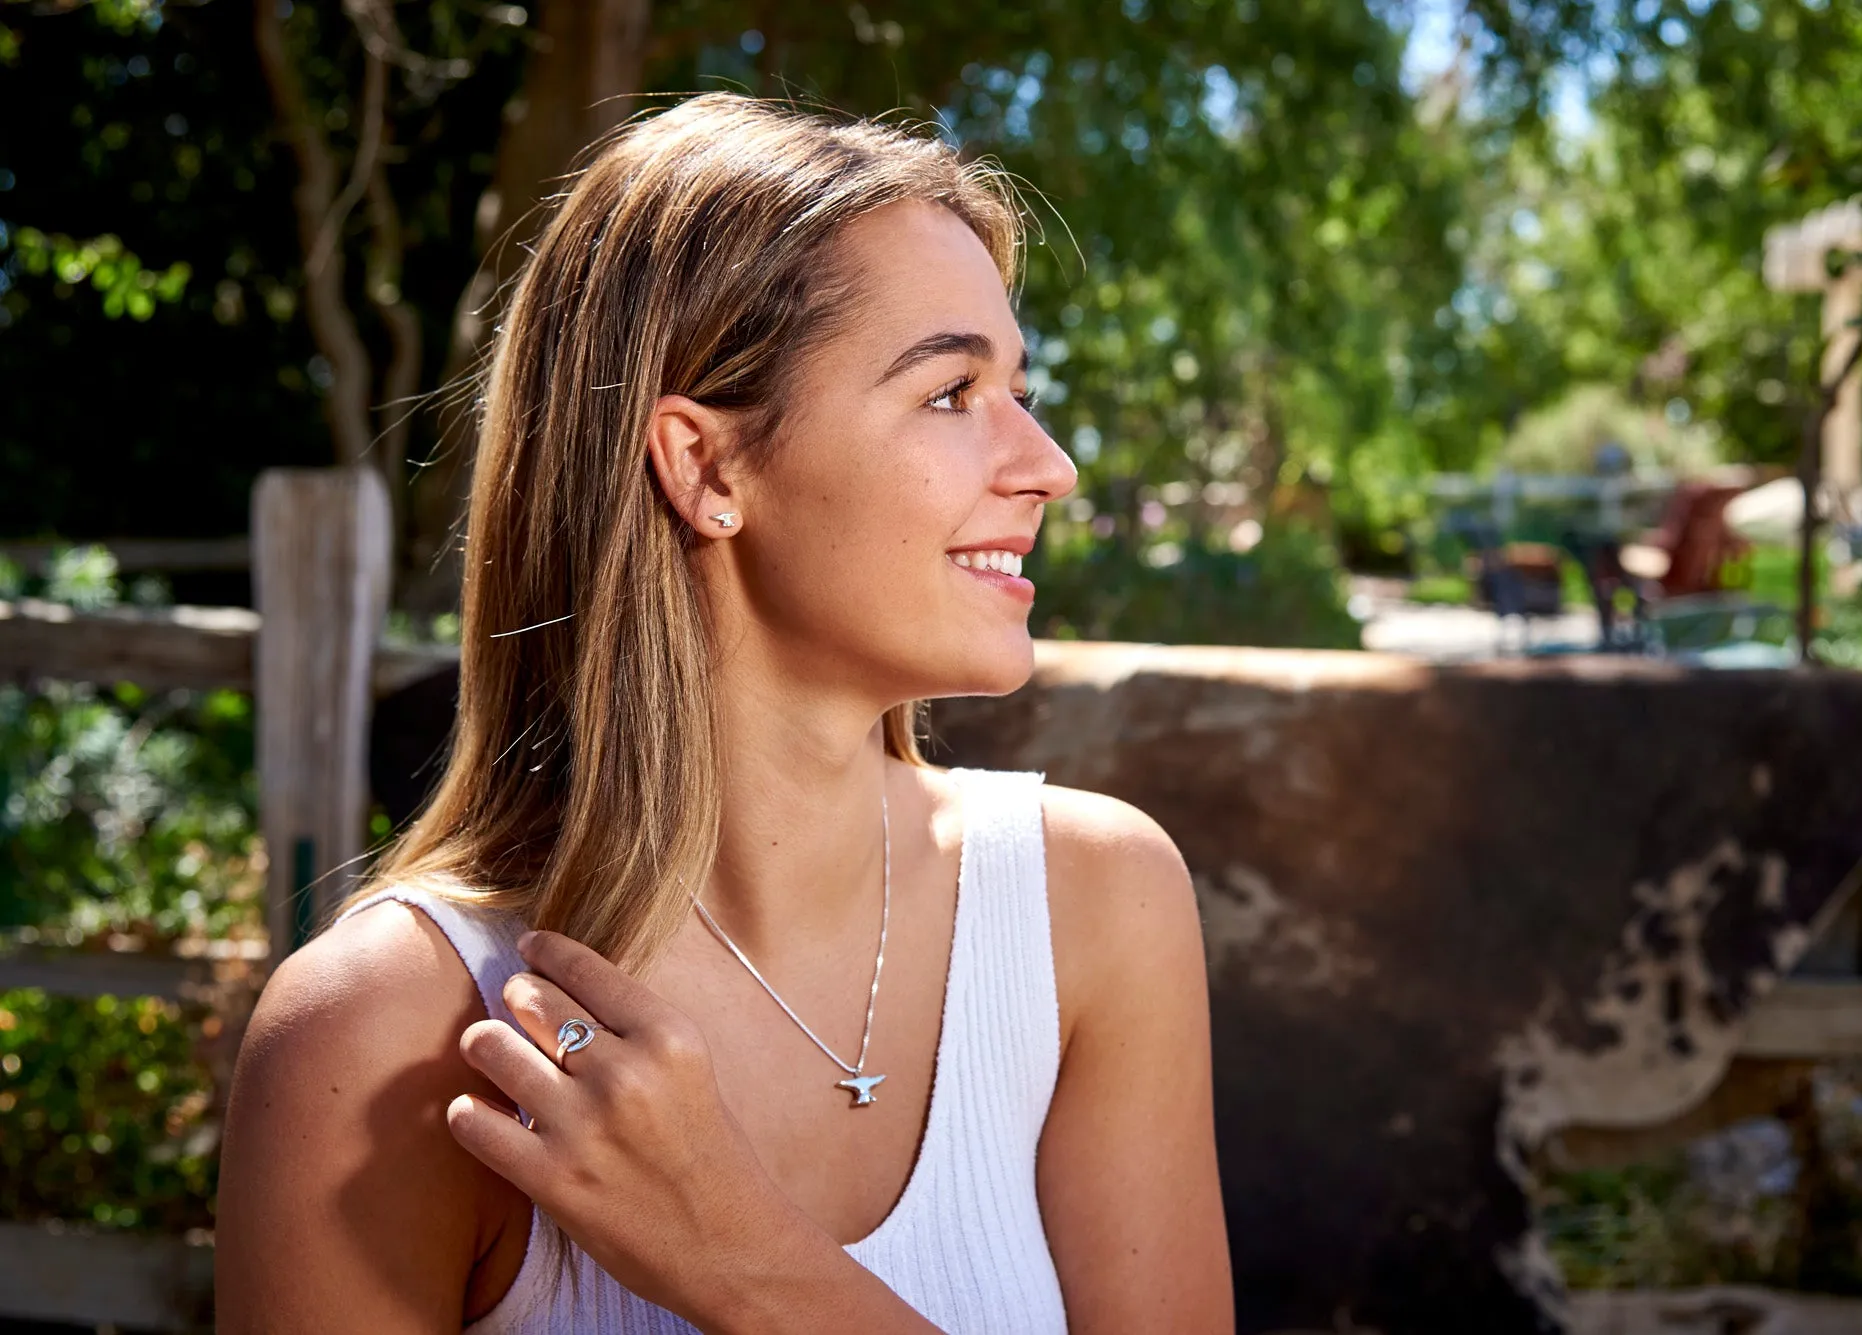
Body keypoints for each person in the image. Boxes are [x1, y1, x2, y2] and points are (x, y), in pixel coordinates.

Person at [214, 94, 1231, 1333]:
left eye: (1016, 386)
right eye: (952, 392)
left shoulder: (1093, 907)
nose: (1047, 464)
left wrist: (742, 1262)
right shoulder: (389, 1037)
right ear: (704, 467)